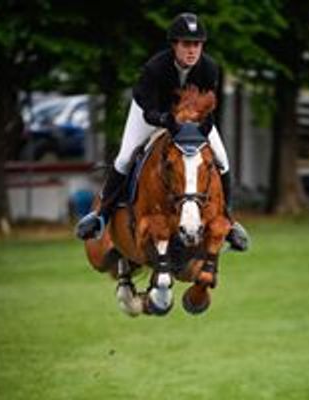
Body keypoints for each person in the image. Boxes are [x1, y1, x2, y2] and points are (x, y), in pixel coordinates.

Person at [76, 12, 248, 251]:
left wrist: (200, 125)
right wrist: (166, 120)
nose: (192, 50)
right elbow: (149, 111)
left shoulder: (209, 68)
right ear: (174, 45)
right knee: (125, 157)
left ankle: (229, 220)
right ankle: (101, 217)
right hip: (151, 113)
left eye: (197, 44)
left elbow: (208, 107)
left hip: (190, 119)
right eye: (186, 44)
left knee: (222, 159)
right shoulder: (155, 68)